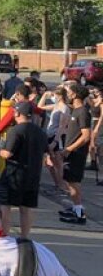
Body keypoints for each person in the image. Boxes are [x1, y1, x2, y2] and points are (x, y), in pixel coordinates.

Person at [0, 102, 48, 238]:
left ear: (18, 114)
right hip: (33, 175)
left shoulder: (16, 130)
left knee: (5, 204)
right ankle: (25, 237)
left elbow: (8, 153)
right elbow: (46, 153)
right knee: (26, 207)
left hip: (14, 174)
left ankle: (5, 235)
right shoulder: (40, 132)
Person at [59, 84, 92, 224]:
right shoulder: (76, 110)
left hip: (76, 154)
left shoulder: (83, 112)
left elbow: (86, 136)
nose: (68, 94)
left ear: (75, 95)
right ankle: (75, 208)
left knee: (74, 183)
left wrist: (69, 149)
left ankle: (79, 214)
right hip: (71, 153)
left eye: (70, 92)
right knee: (70, 181)